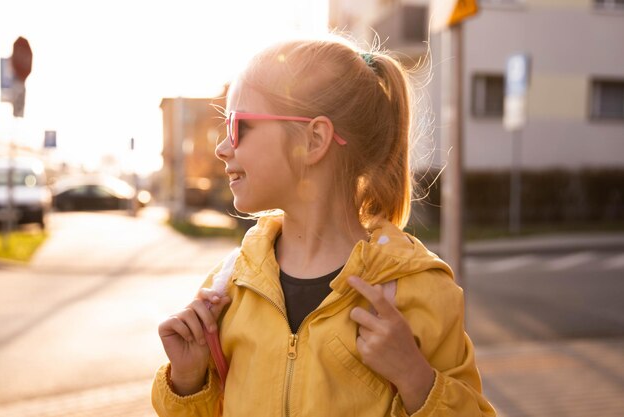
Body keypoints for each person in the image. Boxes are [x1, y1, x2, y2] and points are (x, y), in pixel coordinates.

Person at [152, 35, 496, 417]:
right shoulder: (230, 286)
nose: (222, 148)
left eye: (238, 126)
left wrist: (416, 379)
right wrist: (188, 380)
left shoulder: (419, 291)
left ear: (314, 140)